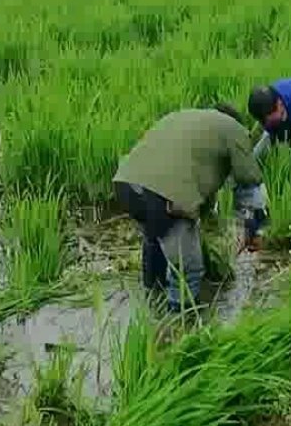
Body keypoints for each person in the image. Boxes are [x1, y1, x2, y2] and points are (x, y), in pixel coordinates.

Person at [114, 104, 267, 312]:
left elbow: (197, 188)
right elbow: (249, 181)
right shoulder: (233, 129)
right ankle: (181, 325)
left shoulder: (182, 120)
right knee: (190, 270)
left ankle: (152, 308)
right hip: (162, 196)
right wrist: (253, 227)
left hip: (127, 186)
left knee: (155, 238)